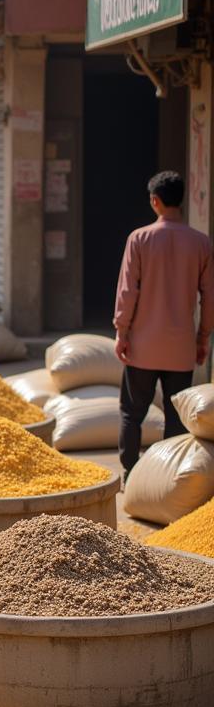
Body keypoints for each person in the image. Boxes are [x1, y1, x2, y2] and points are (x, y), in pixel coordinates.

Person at [115, 170, 214, 477]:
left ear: (155, 201)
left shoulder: (139, 239)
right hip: (181, 349)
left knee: (132, 413)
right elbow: (208, 298)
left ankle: (131, 474)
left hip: (143, 347)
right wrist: (203, 339)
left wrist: (122, 332)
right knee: (175, 418)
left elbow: (127, 291)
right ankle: (166, 478)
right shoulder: (201, 243)